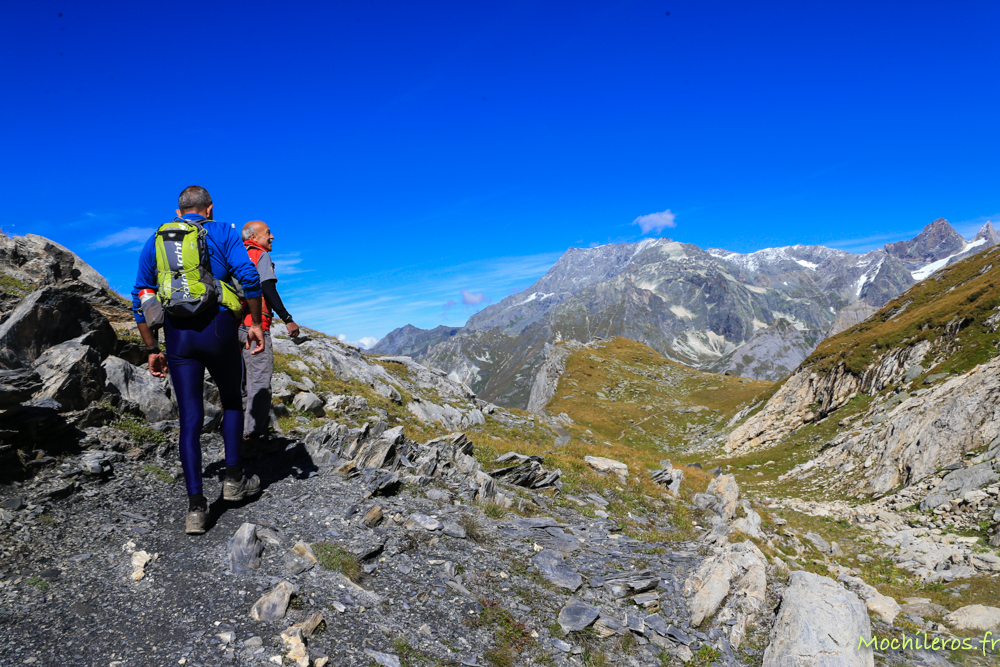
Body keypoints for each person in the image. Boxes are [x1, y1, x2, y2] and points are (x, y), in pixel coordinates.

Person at [132, 185, 267, 535]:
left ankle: (195, 508)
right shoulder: (222, 231)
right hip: (219, 328)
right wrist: (252, 323)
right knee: (233, 402)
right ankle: (234, 480)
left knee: (189, 419)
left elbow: (140, 295)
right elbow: (249, 276)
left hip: (178, 336)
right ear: (208, 209)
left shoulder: (157, 240)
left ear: (179, 213)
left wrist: (152, 348)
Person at [239, 220, 300, 446]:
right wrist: (287, 319)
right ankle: (252, 439)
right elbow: (267, 287)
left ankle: (238, 433)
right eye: (268, 233)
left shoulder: (235, 255)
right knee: (260, 384)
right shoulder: (260, 255)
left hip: (233, 328)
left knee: (242, 384)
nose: (272, 237)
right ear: (254, 237)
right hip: (255, 328)